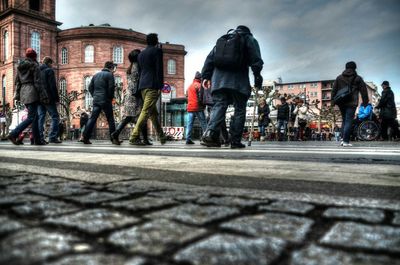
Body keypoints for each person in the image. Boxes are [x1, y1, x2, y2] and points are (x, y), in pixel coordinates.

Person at [201, 25, 263, 148]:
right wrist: (257, 76)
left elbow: (210, 58)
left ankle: (210, 134)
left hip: (218, 81)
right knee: (239, 108)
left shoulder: (225, 39)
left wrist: (206, 76)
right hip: (238, 80)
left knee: (219, 105)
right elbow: (256, 59)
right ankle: (235, 140)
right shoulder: (249, 38)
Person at [129, 33, 166, 145]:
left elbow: (140, 72)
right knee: (146, 111)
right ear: (155, 41)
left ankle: (162, 137)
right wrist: (160, 85)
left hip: (143, 86)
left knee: (153, 113)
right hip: (152, 85)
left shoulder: (141, 54)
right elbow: (159, 69)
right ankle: (134, 136)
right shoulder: (157, 51)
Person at [8, 48, 47, 145]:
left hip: (23, 93)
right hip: (32, 91)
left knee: (35, 117)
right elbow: (38, 82)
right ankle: (14, 133)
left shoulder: (20, 66)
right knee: (32, 117)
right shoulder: (34, 65)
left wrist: (17, 94)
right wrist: (44, 95)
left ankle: (36, 140)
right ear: (34, 57)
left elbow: (17, 82)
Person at [111, 49, 150, 145]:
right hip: (135, 95)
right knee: (141, 117)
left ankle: (116, 134)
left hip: (129, 95)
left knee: (128, 117)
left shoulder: (130, 67)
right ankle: (138, 138)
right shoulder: (137, 67)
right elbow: (137, 82)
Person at [332, 61, 369, 147]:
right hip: (352, 102)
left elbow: (334, 89)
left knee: (344, 120)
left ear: (345, 67)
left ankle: (342, 138)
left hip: (341, 102)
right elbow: (364, 91)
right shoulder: (358, 78)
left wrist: (332, 101)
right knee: (348, 120)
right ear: (355, 68)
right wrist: (365, 102)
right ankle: (345, 141)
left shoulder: (339, 77)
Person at [82, 61, 119, 145]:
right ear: (111, 67)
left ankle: (85, 138)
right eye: (113, 68)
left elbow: (90, 87)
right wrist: (110, 98)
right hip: (106, 99)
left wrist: (94, 95)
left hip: (96, 100)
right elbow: (111, 88)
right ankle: (114, 139)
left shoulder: (96, 75)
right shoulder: (110, 75)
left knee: (92, 119)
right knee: (110, 119)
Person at [38, 56, 61, 144]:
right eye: (52, 64)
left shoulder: (38, 70)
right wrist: (56, 99)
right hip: (48, 98)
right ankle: (52, 137)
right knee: (55, 117)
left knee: (41, 117)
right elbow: (52, 86)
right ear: (49, 63)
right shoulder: (49, 70)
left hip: (39, 98)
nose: (52, 66)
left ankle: (40, 137)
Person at [185, 71, 207, 144]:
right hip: (198, 107)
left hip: (190, 107)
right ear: (200, 78)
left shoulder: (189, 86)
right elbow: (201, 97)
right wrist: (203, 105)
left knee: (189, 124)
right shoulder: (199, 85)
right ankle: (206, 138)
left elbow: (186, 96)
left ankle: (188, 139)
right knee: (203, 123)